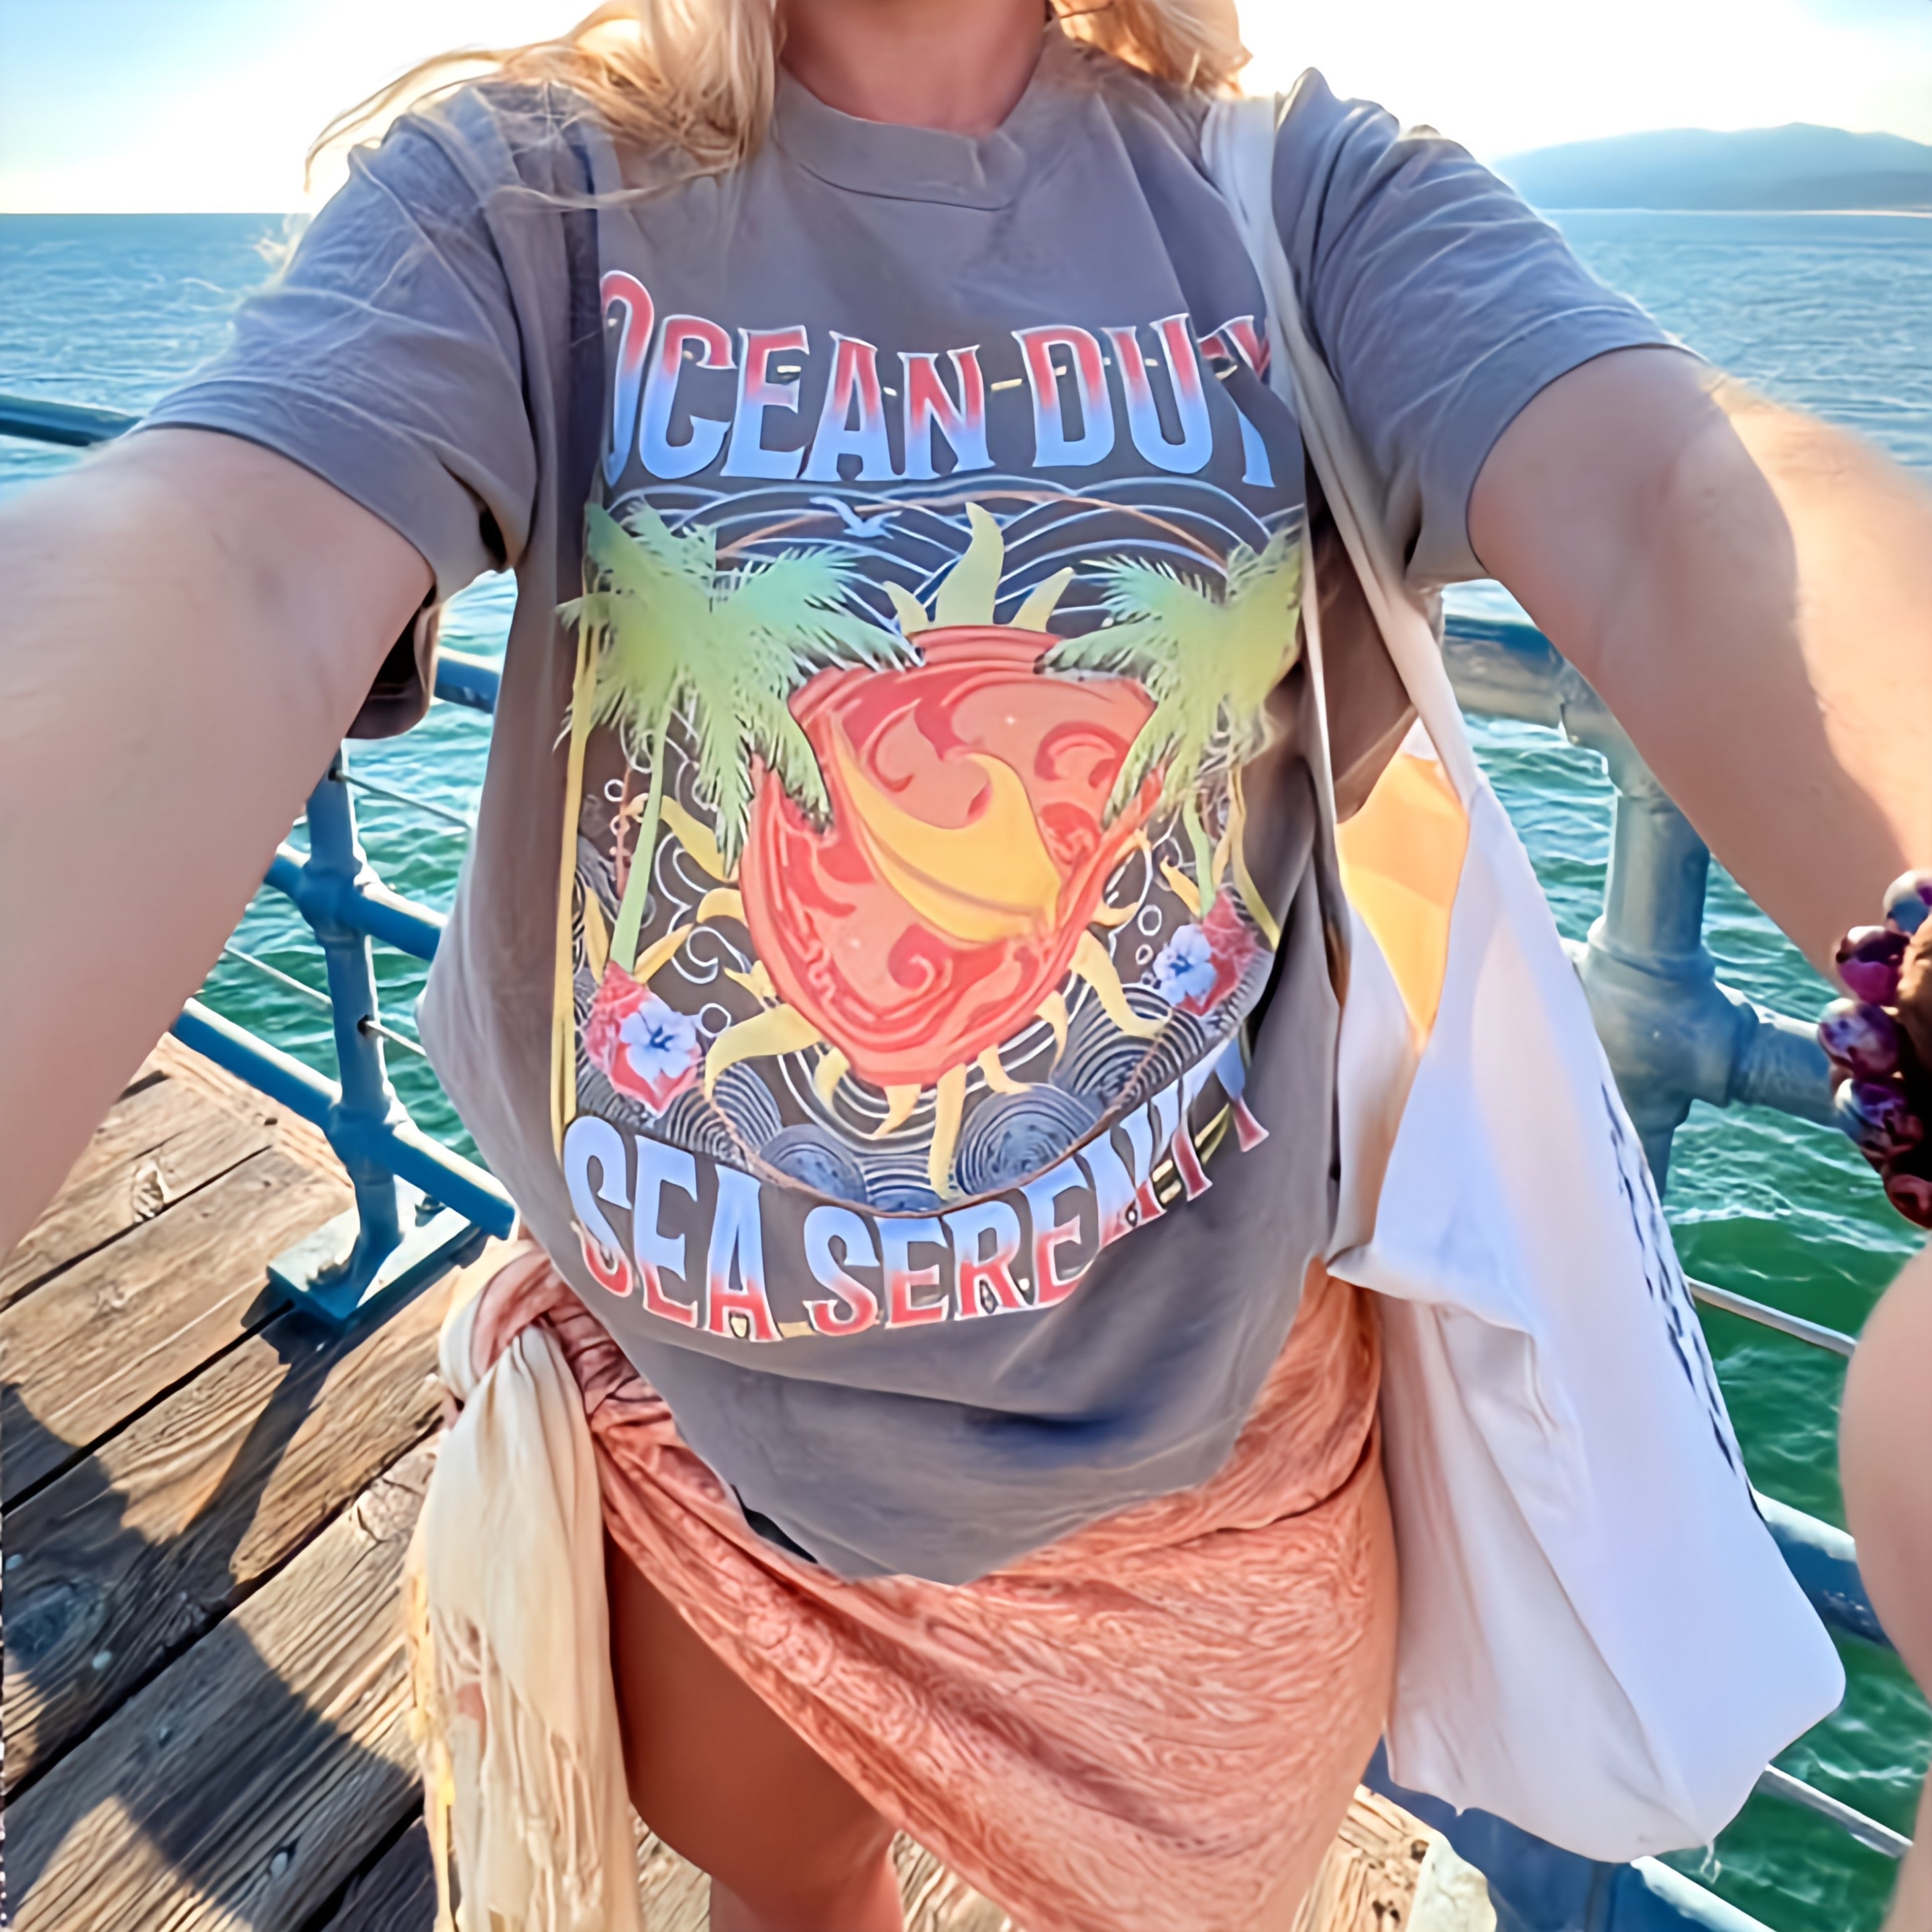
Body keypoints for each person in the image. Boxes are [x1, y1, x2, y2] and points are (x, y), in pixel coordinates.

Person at [3, 3, 1929, 1928]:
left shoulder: (1301, 200)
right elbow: (221, 554)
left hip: (1205, 1480)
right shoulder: (525, 200)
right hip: (718, 1448)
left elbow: (1686, 500)